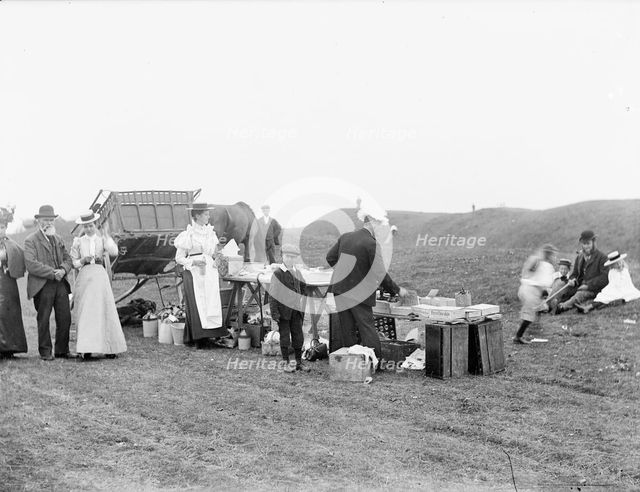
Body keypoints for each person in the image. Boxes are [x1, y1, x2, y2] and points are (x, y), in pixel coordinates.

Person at [326, 202, 408, 360]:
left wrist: (345, 271)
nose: (379, 228)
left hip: (340, 290)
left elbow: (330, 258)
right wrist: (397, 290)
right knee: (367, 328)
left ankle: (352, 362)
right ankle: (374, 362)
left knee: (347, 328)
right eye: (378, 224)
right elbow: (380, 273)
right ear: (371, 222)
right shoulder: (371, 243)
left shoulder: (345, 237)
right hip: (359, 293)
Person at [70, 211, 127, 360]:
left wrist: (107, 236)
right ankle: (87, 348)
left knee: (104, 308)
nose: (89, 228)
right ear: (82, 227)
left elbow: (114, 252)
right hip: (85, 276)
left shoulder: (102, 239)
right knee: (87, 310)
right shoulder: (78, 241)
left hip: (100, 276)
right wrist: (83, 260)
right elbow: (74, 263)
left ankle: (109, 348)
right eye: (86, 226)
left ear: (95, 225)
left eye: (91, 225)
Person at [24, 205, 75, 361]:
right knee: (44, 318)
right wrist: (53, 273)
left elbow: (68, 259)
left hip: (60, 284)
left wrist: (63, 270)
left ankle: (62, 350)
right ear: (38, 221)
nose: (49, 223)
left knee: (65, 317)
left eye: (51, 220)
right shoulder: (30, 240)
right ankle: (45, 352)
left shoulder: (58, 239)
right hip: (42, 285)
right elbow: (31, 264)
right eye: (45, 220)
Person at [175, 203, 224, 347]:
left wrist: (219, 258)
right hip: (194, 271)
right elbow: (179, 258)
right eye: (206, 214)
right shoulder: (188, 235)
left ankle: (212, 335)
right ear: (197, 215)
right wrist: (194, 261)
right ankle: (199, 337)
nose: (209, 216)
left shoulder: (210, 233)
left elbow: (214, 253)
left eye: (208, 214)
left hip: (209, 271)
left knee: (211, 301)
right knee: (198, 302)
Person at [269, 243, 310, 373]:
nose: (290, 259)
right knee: (285, 337)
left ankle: (298, 362)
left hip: (296, 312)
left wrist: (299, 296)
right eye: (287, 256)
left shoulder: (297, 272)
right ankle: (285, 361)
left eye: (293, 257)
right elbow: (273, 295)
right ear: (282, 256)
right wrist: (275, 313)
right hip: (283, 312)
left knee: (298, 336)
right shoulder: (278, 273)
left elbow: (303, 286)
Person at [554, 230, 609, 314]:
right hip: (578, 285)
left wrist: (588, 285)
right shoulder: (580, 256)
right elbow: (575, 273)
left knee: (580, 294)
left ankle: (562, 307)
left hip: (593, 288)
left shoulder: (602, 258)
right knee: (561, 284)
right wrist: (572, 280)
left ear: (594, 243)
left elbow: (604, 278)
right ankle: (548, 305)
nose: (586, 246)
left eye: (588, 243)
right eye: (584, 244)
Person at [514, 244, 557, 344]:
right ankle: (518, 336)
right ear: (549, 255)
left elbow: (528, 275)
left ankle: (534, 326)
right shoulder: (546, 266)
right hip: (531, 292)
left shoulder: (536, 261)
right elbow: (543, 282)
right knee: (529, 315)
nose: (554, 258)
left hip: (525, 289)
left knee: (541, 307)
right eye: (553, 255)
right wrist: (544, 291)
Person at [0, 206, 28, 359]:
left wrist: (9, 264)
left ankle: (9, 347)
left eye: (2, 226)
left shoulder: (9, 244)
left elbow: (19, 255)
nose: (0, 229)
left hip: (6, 283)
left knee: (7, 312)